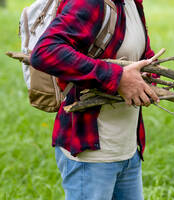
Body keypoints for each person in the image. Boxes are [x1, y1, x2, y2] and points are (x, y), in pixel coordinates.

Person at [30, 0, 159, 199]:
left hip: (128, 149)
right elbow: (46, 51)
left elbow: (141, 55)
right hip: (91, 155)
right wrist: (116, 78)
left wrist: (150, 80)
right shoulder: (91, 2)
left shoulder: (133, 3)